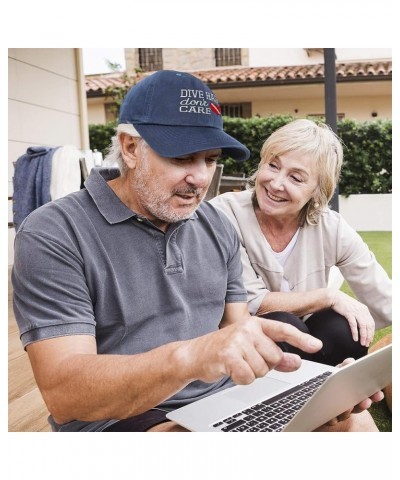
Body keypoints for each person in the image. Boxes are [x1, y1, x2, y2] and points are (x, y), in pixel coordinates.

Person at [12, 72, 381, 433]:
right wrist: (192, 356)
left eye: (209, 159)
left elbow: (238, 331)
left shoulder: (215, 224)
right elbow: (66, 396)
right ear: (129, 148)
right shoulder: (54, 232)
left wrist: (311, 389)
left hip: (225, 401)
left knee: (353, 422)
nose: (201, 178)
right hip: (129, 417)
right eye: (183, 158)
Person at [211, 118, 392, 367]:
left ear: (318, 192)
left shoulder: (331, 226)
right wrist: (327, 296)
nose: (275, 184)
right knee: (283, 323)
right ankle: (315, 387)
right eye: (273, 166)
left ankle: (329, 382)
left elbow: (385, 297)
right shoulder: (224, 213)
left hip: (307, 342)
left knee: (345, 325)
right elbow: (249, 302)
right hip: (240, 342)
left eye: (296, 178)